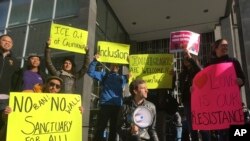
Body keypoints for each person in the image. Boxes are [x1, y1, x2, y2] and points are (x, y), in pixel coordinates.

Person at [207, 38, 245, 141]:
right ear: (216, 48)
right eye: (223, 45)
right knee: (222, 133)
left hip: (232, 103)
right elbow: (205, 83)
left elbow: (243, 78)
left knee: (235, 132)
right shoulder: (210, 65)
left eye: (226, 45)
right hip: (218, 106)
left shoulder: (233, 61)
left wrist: (240, 81)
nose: (225, 47)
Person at [87, 53, 129, 141]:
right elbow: (90, 72)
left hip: (117, 106)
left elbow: (135, 75)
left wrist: (130, 63)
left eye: (117, 65)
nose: (115, 66)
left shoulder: (123, 78)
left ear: (119, 68)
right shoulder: (104, 75)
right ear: (110, 66)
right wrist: (95, 61)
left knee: (114, 129)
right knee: (101, 127)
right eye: (113, 64)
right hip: (105, 105)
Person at [0, 34, 18, 141]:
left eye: (10, 42)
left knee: (3, 126)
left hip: (5, 99)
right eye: (4, 40)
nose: (7, 43)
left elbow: (16, 82)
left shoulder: (15, 61)